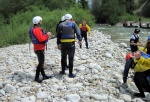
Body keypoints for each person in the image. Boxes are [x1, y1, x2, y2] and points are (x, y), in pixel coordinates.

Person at [56, 13, 82, 78]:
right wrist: (80, 39)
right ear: (71, 18)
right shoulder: (73, 24)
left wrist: (58, 43)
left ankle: (63, 71)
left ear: (64, 18)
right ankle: (70, 74)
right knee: (71, 58)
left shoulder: (60, 24)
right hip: (71, 43)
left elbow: (58, 35)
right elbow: (78, 32)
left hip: (63, 43)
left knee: (63, 57)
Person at [29, 16, 53, 83]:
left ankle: (44, 75)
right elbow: (41, 39)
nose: (41, 22)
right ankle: (36, 77)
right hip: (39, 48)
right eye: (40, 21)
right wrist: (47, 35)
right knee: (41, 63)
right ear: (37, 22)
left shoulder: (36, 29)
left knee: (41, 62)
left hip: (38, 47)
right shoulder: (37, 29)